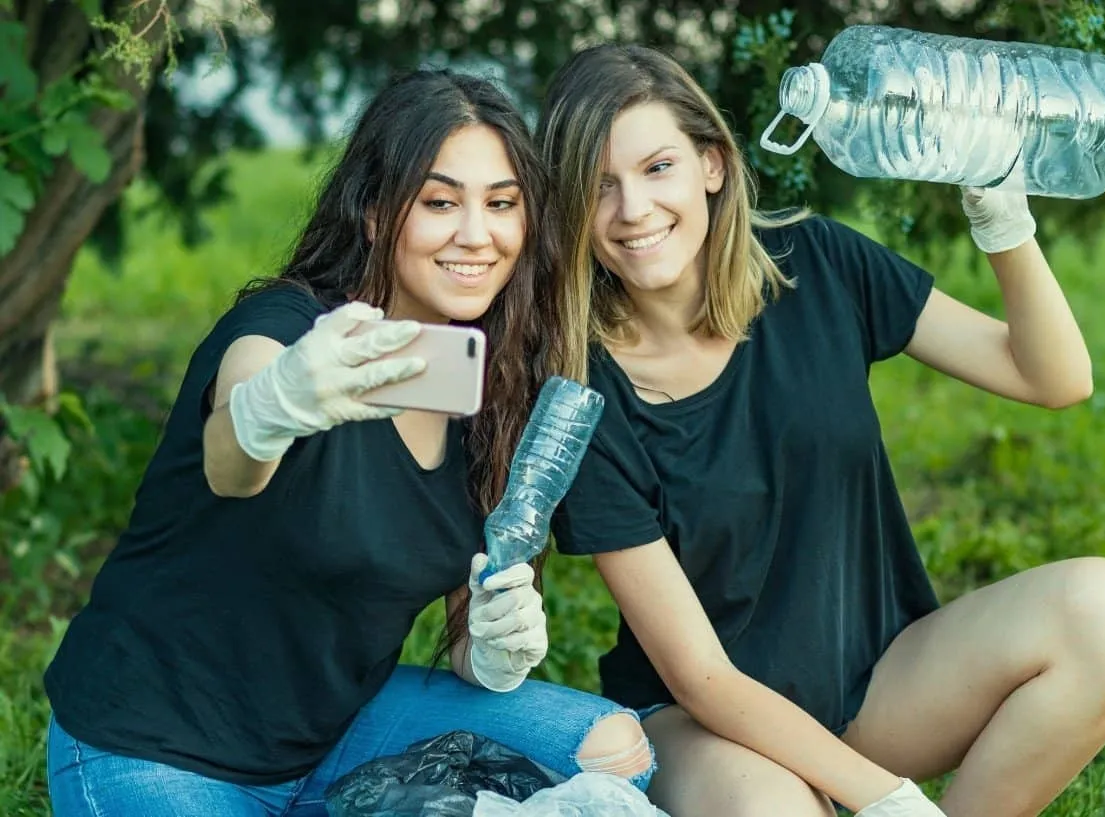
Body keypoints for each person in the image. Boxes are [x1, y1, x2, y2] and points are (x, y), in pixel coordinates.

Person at [536, 44, 1105, 817]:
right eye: (600, 188)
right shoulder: (581, 389)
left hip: (879, 684)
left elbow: (1054, 377)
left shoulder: (816, 264)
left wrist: (1001, 213)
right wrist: (890, 797)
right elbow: (700, 674)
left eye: (657, 167)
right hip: (707, 724)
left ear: (713, 165)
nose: (633, 210)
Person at [43, 68, 654, 817]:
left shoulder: (487, 389)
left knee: (612, 749)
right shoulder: (290, 333)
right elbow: (230, 457)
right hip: (154, 741)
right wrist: (279, 403)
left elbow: (468, 620)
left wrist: (491, 649)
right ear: (373, 211)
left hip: (334, 732)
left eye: (502, 204)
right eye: (439, 202)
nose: (476, 233)